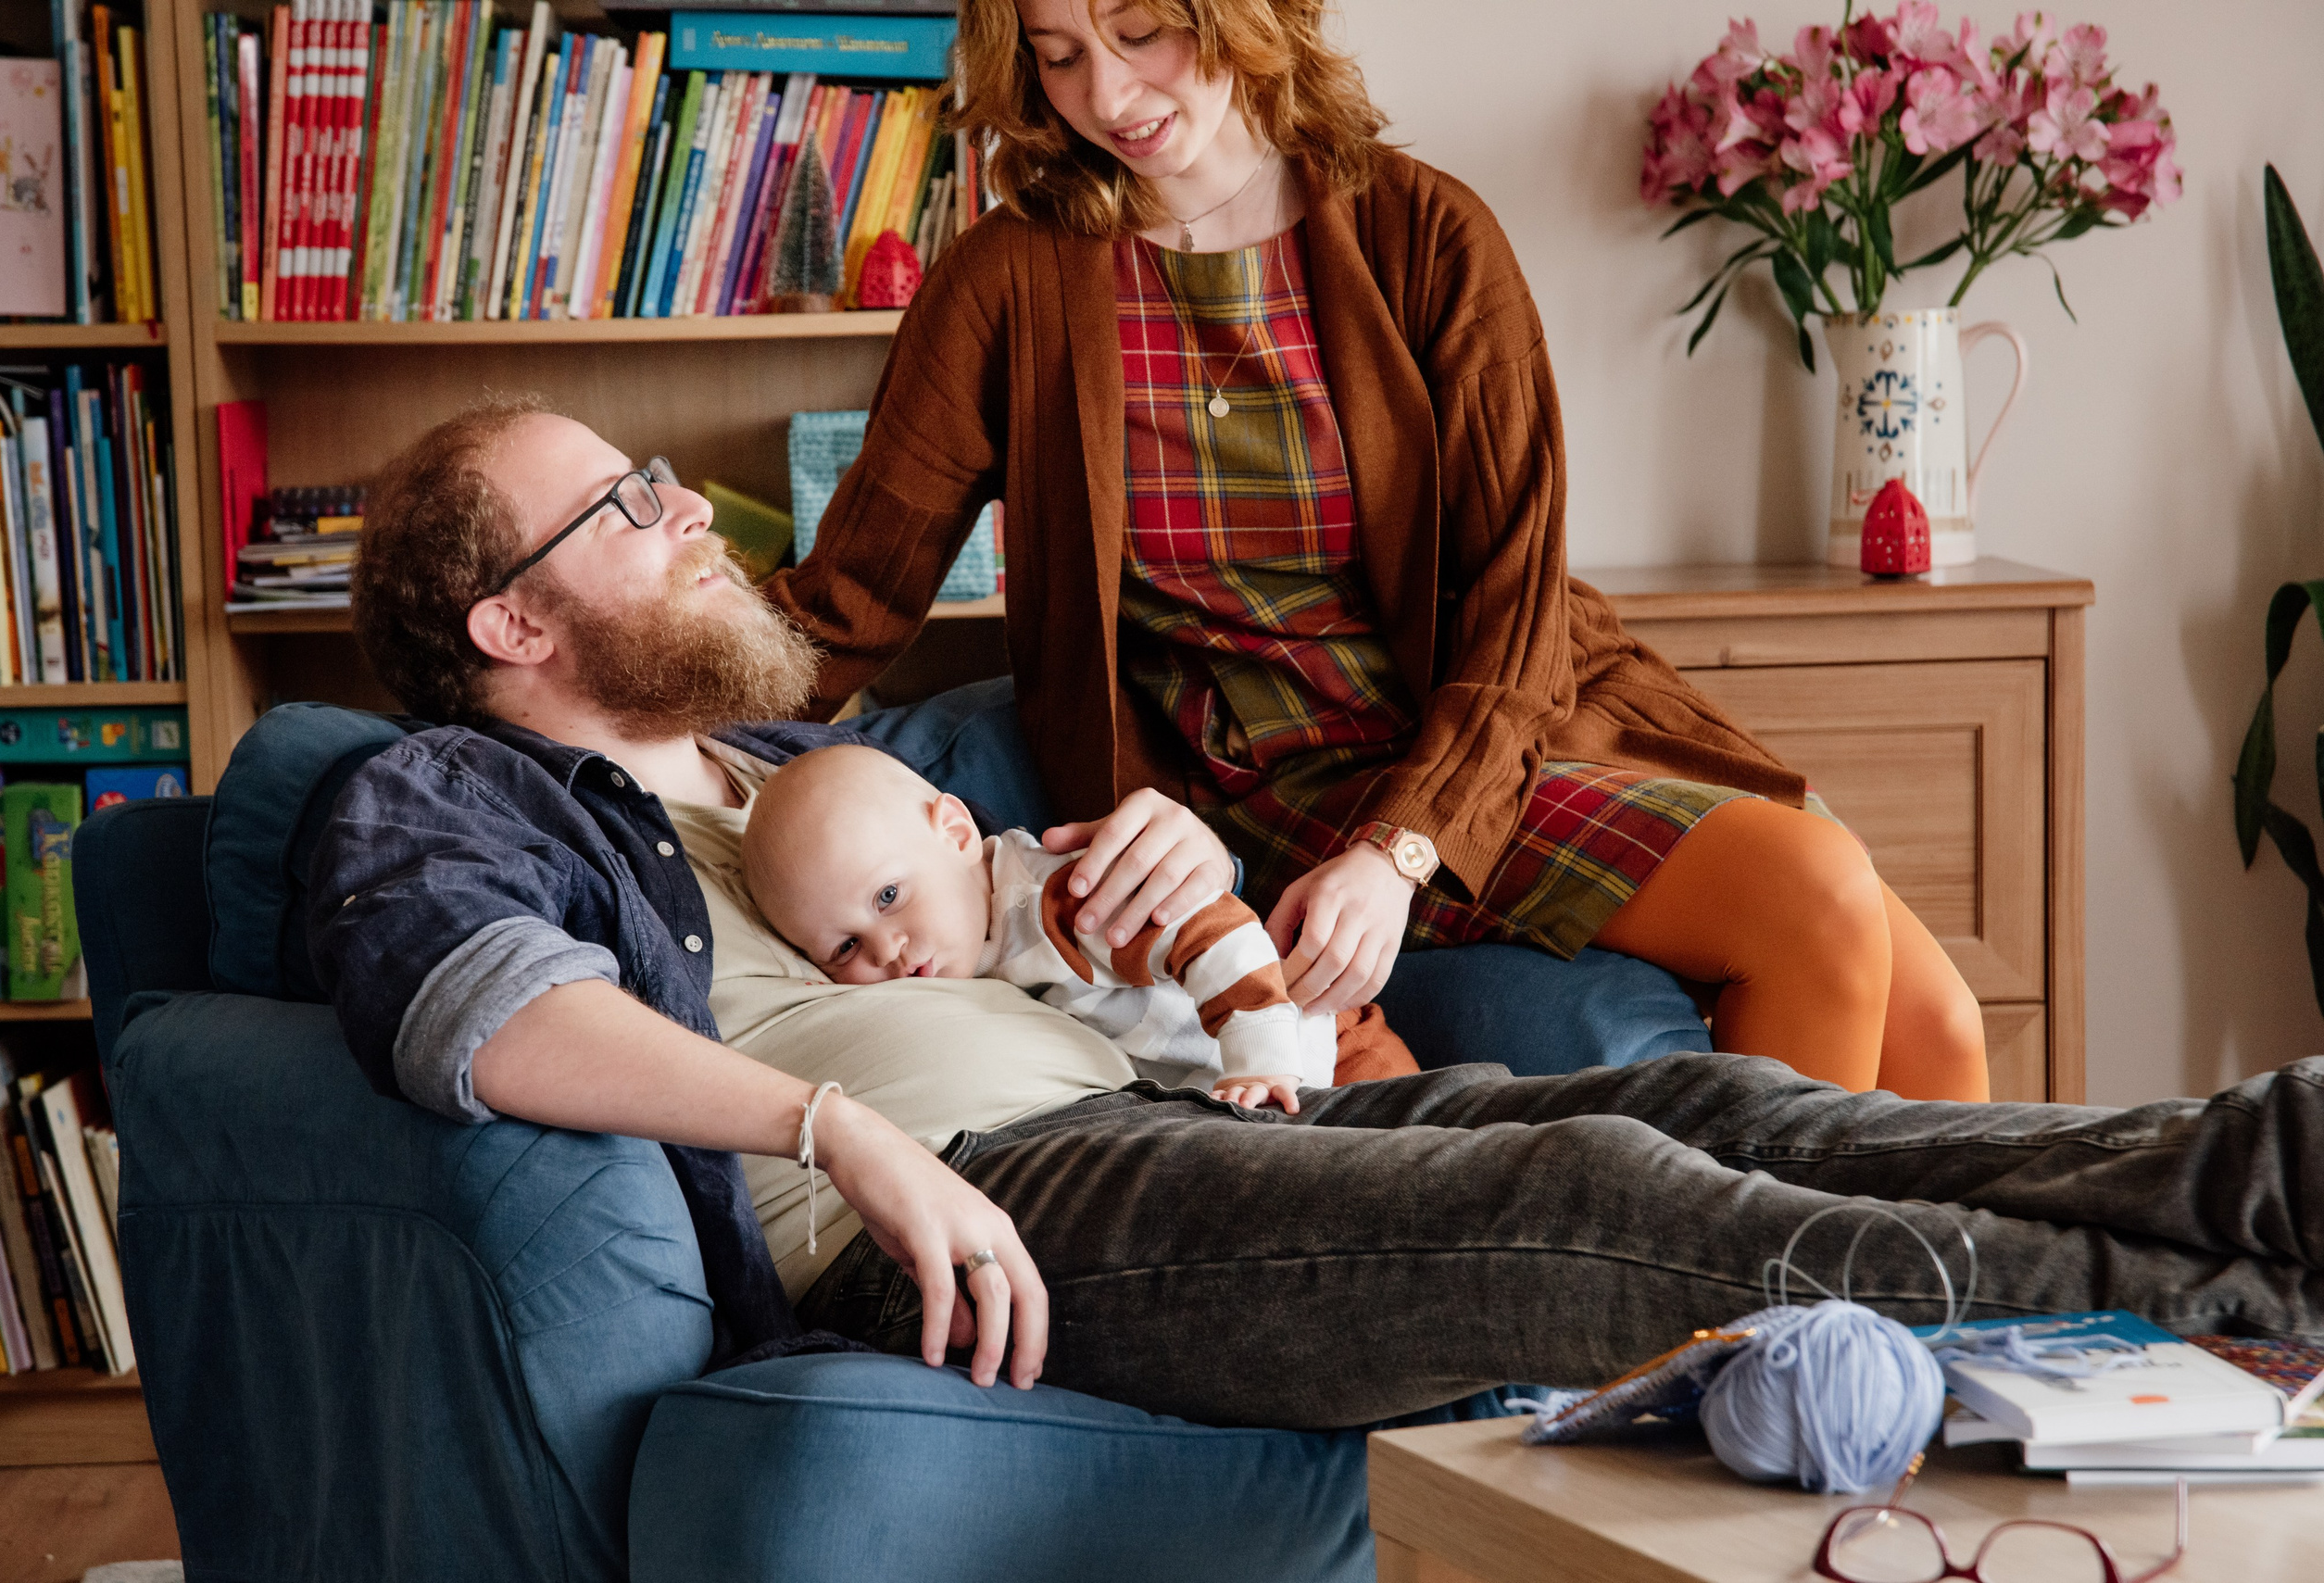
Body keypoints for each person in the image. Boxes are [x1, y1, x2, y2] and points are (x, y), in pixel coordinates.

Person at [313, 400, 2324, 1435]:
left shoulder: (775, 764)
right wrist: (833, 1130)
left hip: (1159, 1109)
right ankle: (2231, 1314)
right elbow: (482, 1016)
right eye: (627, 504)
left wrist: (1159, 881)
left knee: (1720, 1107)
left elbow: (1047, 912)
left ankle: (2256, 1163)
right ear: (512, 619)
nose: (686, 510)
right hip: (979, 1209)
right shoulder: (444, 791)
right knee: (1589, 1187)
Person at [759, 0, 1986, 1101]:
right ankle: (1768, 1317)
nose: (1107, 96)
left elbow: (1519, 603)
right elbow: (851, 596)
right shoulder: (1007, 280)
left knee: (1938, 1020)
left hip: (1506, 711)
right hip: (1276, 770)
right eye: (1060, 55)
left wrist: (1404, 852)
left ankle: (1933, 1349)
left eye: (1143, 34)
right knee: (1810, 897)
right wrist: (614, 714)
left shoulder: (1430, 233)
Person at [737, 741, 1330, 1110]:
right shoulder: (965, 953)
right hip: (1225, 1100)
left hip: (1304, 1047)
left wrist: (1259, 1058)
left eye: (889, 896)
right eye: (845, 946)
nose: (887, 948)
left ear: (957, 834)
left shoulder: (1059, 900)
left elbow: (1214, 930)